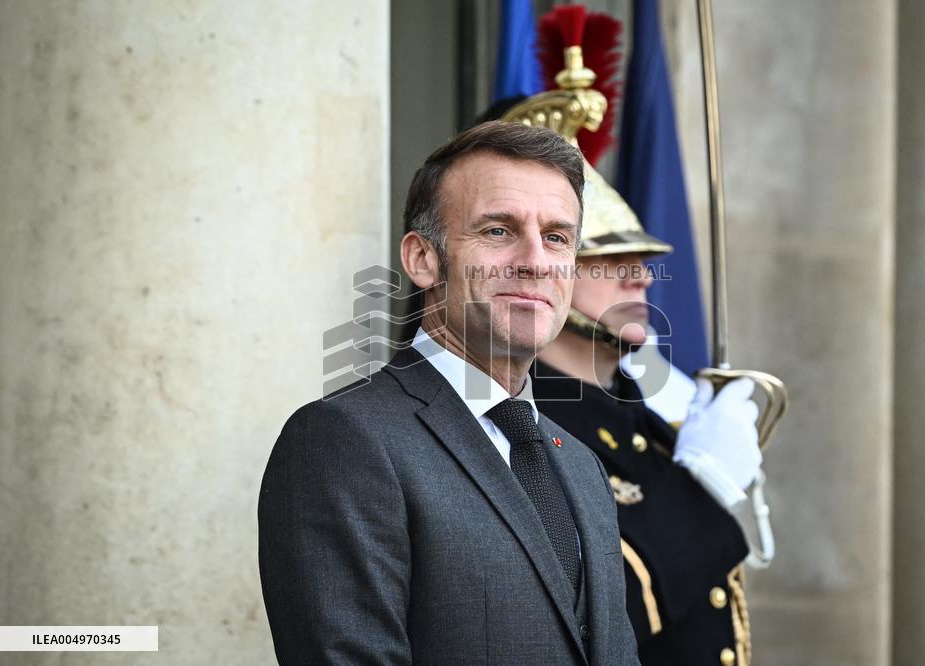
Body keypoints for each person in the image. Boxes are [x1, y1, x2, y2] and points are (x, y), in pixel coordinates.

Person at [258, 120, 639, 665]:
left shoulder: (580, 465)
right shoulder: (344, 440)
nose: (535, 261)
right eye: (497, 231)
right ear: (423, 260)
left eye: (556, 237)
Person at [493, 17, 764, 664]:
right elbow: (573, 628)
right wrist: (702, 489)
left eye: (641, 256)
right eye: (610, 261)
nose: (641, 275)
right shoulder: (517, 427)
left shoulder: (638, 416)